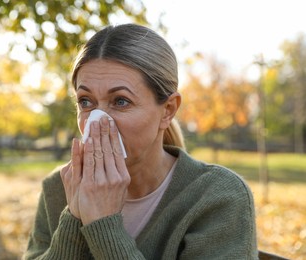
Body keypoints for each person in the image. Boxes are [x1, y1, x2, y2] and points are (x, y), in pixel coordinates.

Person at [24, 23, 258, 259]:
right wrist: (73, 220)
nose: (97, 122)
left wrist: (104, 225)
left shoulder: (217, 197)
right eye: (86, 102)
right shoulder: (58, 188)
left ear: (167, 110)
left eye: (120, 101)